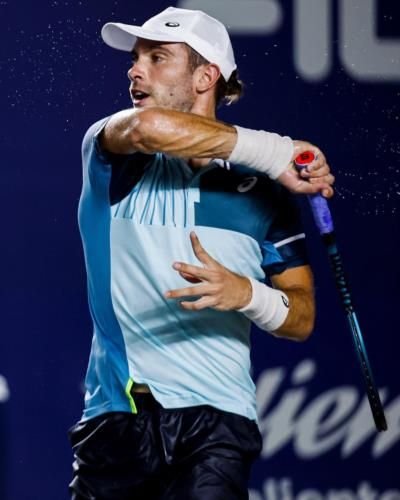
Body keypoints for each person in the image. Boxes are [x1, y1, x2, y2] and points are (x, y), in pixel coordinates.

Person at [68, 6, 335, 500]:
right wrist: (278, 152)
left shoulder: (263, 195)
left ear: (205, 76)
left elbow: (301, 318)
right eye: (135, 58)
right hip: (116, 418)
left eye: (157, 56)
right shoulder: (112, 152)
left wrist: (247, 294)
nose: (135, 68)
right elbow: (149, 129)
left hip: (217, 426)